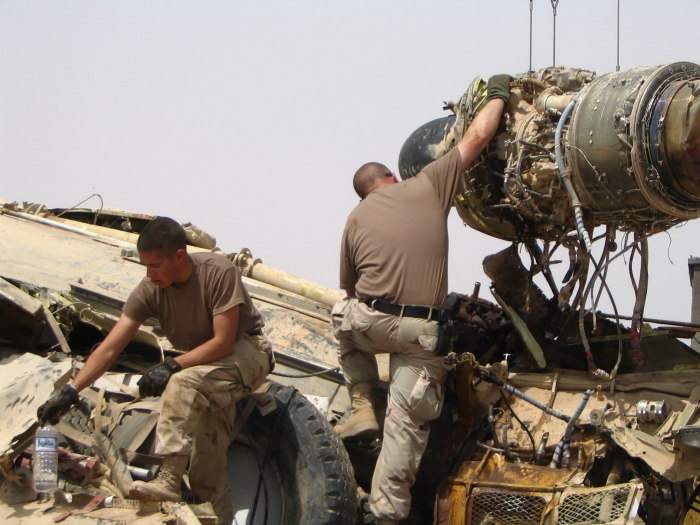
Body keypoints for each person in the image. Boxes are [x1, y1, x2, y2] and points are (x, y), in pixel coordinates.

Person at [331, 75, 511, 525]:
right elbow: (478, 136)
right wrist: (499, 93)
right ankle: (385, 515)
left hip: (373, 324)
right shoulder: (428, 183)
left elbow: (351, 291)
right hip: (423, 334)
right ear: (393, 178)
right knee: (405, 424)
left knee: (342, 315)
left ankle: (360, 406)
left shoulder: (354, 219)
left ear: (364, 191)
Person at [37, 217, 274, 525]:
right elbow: (110, 347)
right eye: (145, 266)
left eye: (156, 266)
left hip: (247, 352)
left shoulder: (218, 272)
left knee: (181, 382)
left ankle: (168, 479)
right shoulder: (152, 288)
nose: (150, 274)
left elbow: (223, 342)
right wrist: (70, 391)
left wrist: (172, 364)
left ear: (179, 255)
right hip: (205, 368)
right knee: (206, 472)